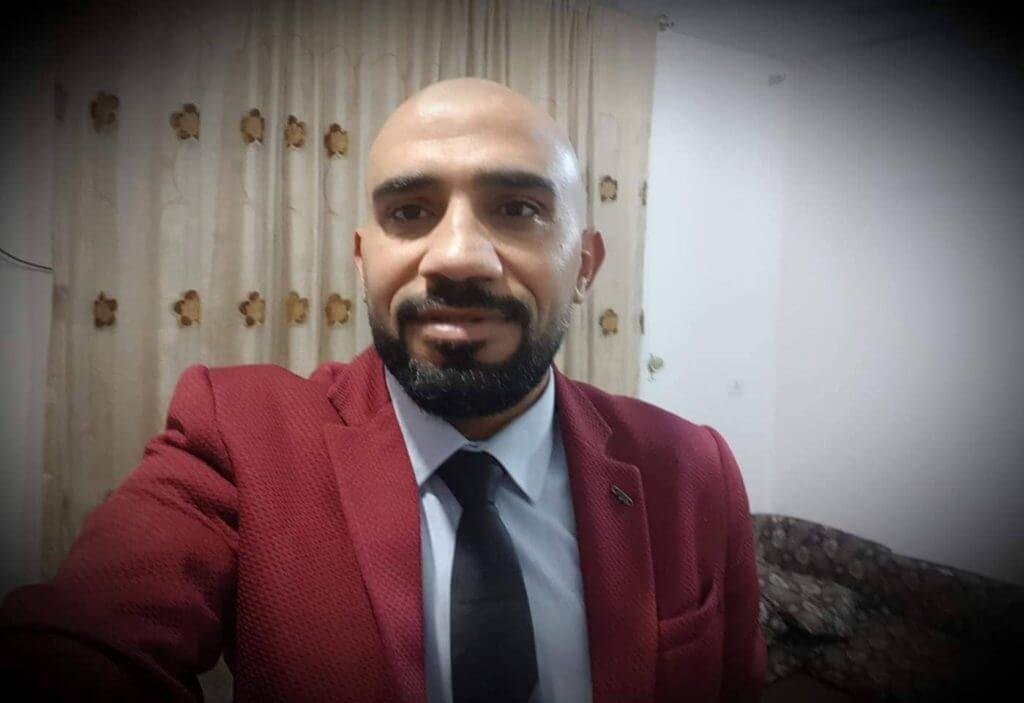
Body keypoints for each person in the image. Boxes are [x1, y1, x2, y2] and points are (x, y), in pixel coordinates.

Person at [0, 78, 765, 702]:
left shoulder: (693, 469)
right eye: (410, 211)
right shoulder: (237, 434)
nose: (457, 257)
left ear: (586, 265)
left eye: (518, 209)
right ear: (364, 260)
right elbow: (78, 646)